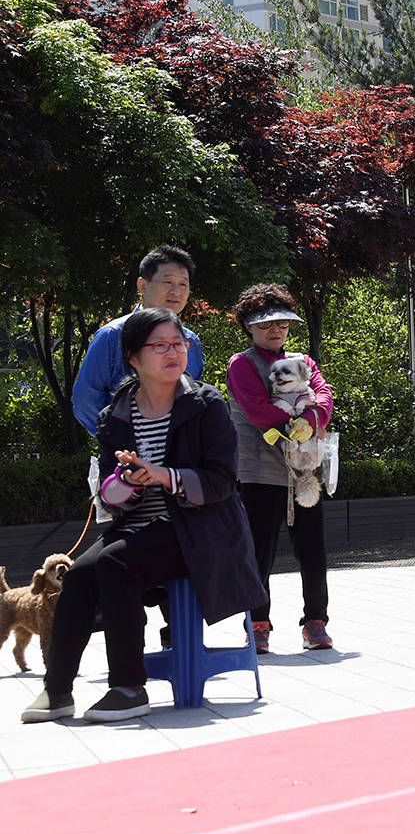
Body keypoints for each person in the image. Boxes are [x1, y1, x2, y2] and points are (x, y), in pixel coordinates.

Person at [21, 309, 266, 724]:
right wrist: (127, 483)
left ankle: (129, 687)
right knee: (79, 574)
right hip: (137, 526)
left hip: (199, 527)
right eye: (161, 346)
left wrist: (164, 476)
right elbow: (110, 496)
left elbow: (223, 480)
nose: (174, 353)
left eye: (180, 344)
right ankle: (58, 690)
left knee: (116, 563)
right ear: (133, 357)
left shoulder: (206, 404)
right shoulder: (115, 415)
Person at [225, 284, 334, 654]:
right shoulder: (242, 364)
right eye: (266, 325)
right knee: (258, 553)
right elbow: (257, 411)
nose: (276, 331)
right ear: (249, 328)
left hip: (304, 469)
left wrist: (311, 418)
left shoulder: (303, 361)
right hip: (259, 471)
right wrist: (299, 421)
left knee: (313, 550)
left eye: (283, 324)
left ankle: (315, 621)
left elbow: (324, 396)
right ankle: (257, 625)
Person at [73, 246, 203, 437]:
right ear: (142, 285)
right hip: (126, 456)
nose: (176, 291)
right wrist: (117, 439)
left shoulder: (190, 342)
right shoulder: (112, 335)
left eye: (183, 284)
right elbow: (85, 399)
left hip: (176, 458)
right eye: (168, 282)